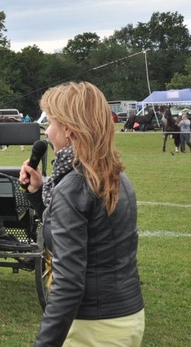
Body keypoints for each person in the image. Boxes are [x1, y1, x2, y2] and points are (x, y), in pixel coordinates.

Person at [19, 82, 144, 346]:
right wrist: (37, 193)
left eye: (50, 123)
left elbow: (69, 284)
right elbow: (86, 234)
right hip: (127, 319)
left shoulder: (74, 185)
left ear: (68, 129)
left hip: (94, 327)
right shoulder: (114, 174)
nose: (48, 133)